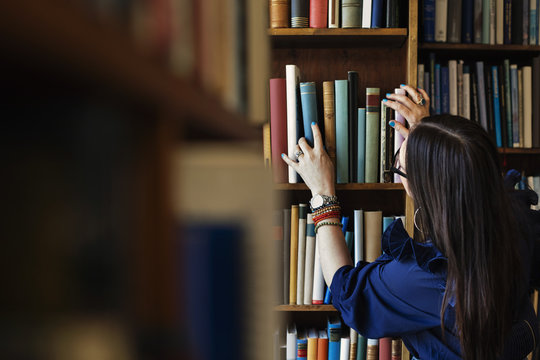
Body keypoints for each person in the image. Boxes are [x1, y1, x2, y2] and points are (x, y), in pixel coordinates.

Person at [281, 85, 540, 360]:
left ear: (425, 189)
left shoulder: (421, 279)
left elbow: (349, 294)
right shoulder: (516, 215)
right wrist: (433, 140)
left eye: (399, 166)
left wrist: (322, 194)